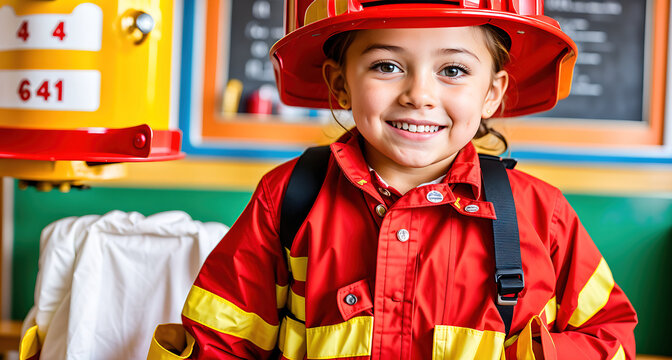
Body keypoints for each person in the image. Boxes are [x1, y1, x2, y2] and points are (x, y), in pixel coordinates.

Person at [148, 1, 637, 359]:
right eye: (387, 65)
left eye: (452, 69)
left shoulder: (541, 215)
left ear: (491, 92)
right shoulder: (288, 198)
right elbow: (219, 342)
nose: (419, 94)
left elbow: (609, 334)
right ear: (340, 83)